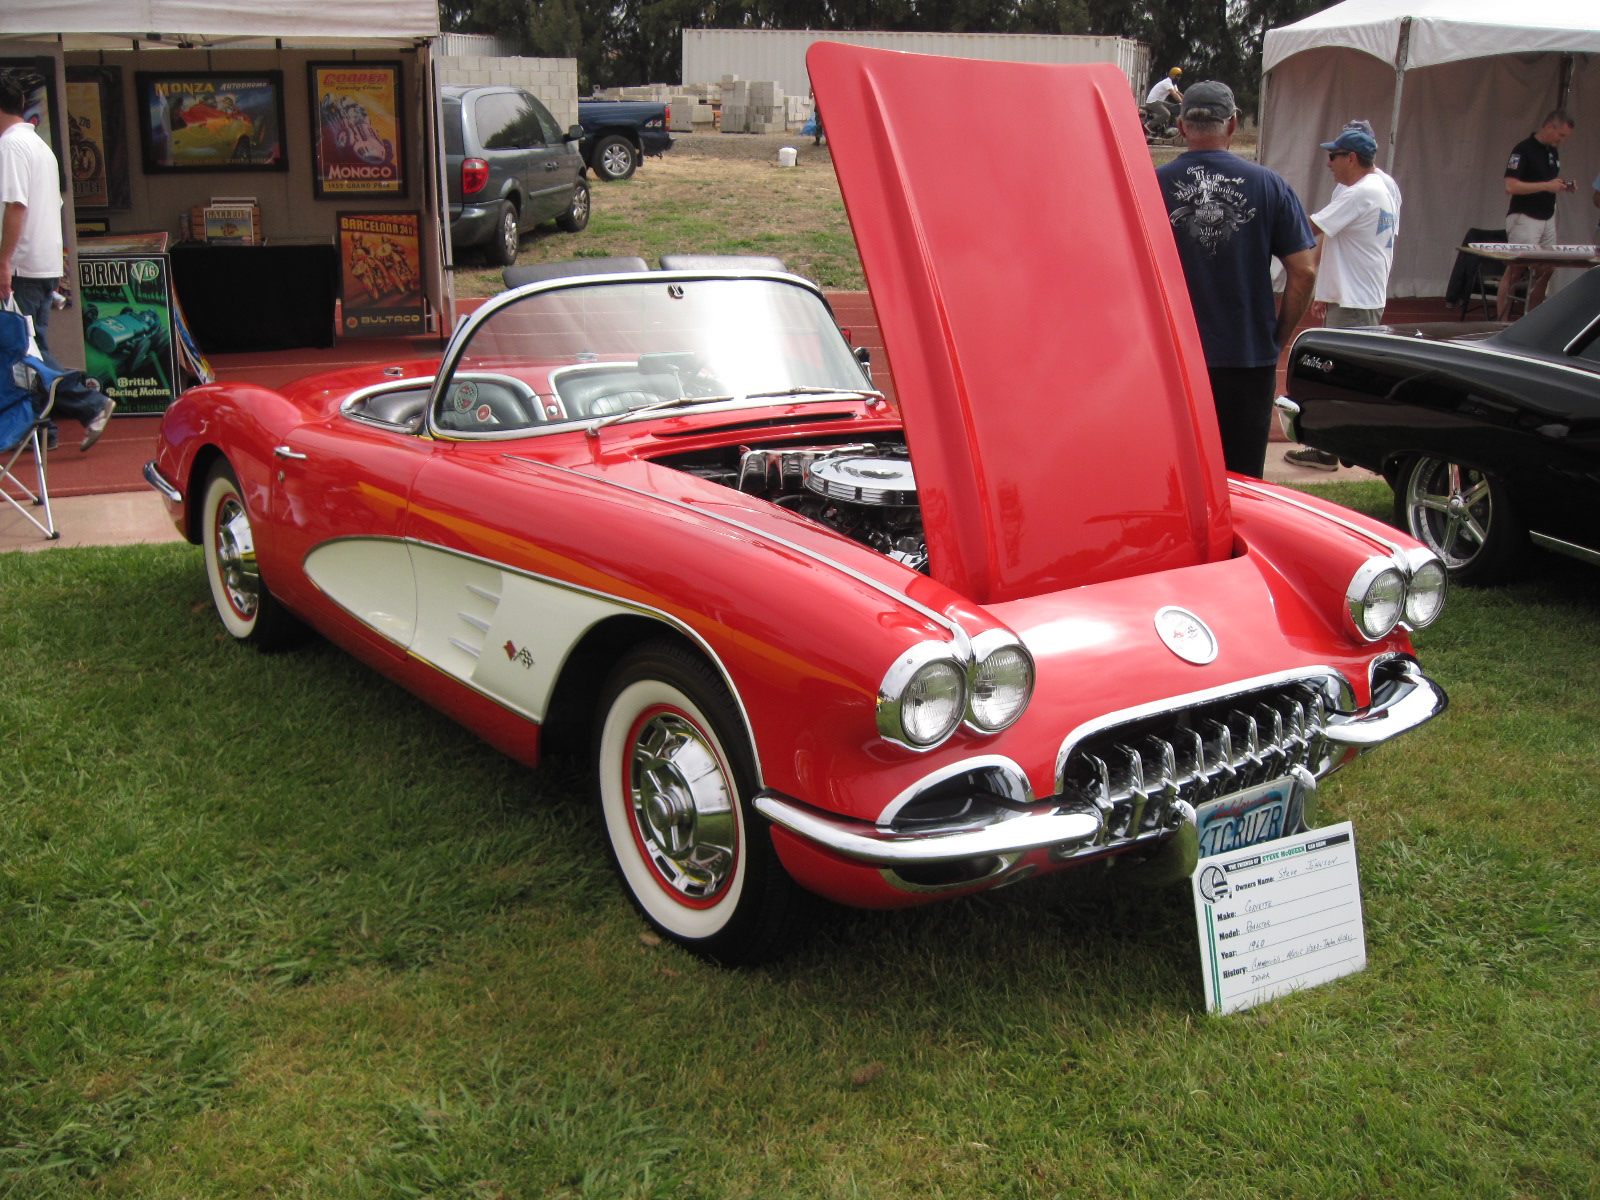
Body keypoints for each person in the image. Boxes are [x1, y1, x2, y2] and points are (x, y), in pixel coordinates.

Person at [1156, 80, 1316, 479]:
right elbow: (1304, 269)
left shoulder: (1149, 184)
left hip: (1172, 357)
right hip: (1247, 355)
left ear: (1181, 126)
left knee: (1177, 475)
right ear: (1232, 125)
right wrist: (1277, 336)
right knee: (1243, 481)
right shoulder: (1270, 185)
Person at [0, 70, 115, 451]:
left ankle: (89, 404)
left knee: (25, 353)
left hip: (22, 265)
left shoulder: (11, 147)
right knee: (33, 349)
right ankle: (43, 429)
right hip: (43, 262)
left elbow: (16, 205)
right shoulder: (39, 147)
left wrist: (3, 260)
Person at [1283, 123, 1401, 470]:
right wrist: (1327, 289)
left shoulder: (1359, 193)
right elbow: (1345, 239)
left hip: (1355, 300)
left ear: (1352, 158)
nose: (1329, 163)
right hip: (1359, 294)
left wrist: (1267, 227)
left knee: (1338, 378)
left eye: (1333, 156)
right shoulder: (1383, 185)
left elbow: (1309, 229)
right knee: (1344, 375)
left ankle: (1338, 448)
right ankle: (1338, 446)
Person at [1498, 110, 1576, 321]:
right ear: (1549, 127)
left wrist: (1560, 185)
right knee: (1516, 269)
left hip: (1547, 215)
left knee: (1547, 268)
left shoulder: (1552, 151)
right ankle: (1500, 322)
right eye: (1560, 135)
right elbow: (1510, 186)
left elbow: (1547, 180)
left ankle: (1531, 320)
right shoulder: (1523, 150)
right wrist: (1546, 185)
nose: (1562, 140)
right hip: (1525, 216)